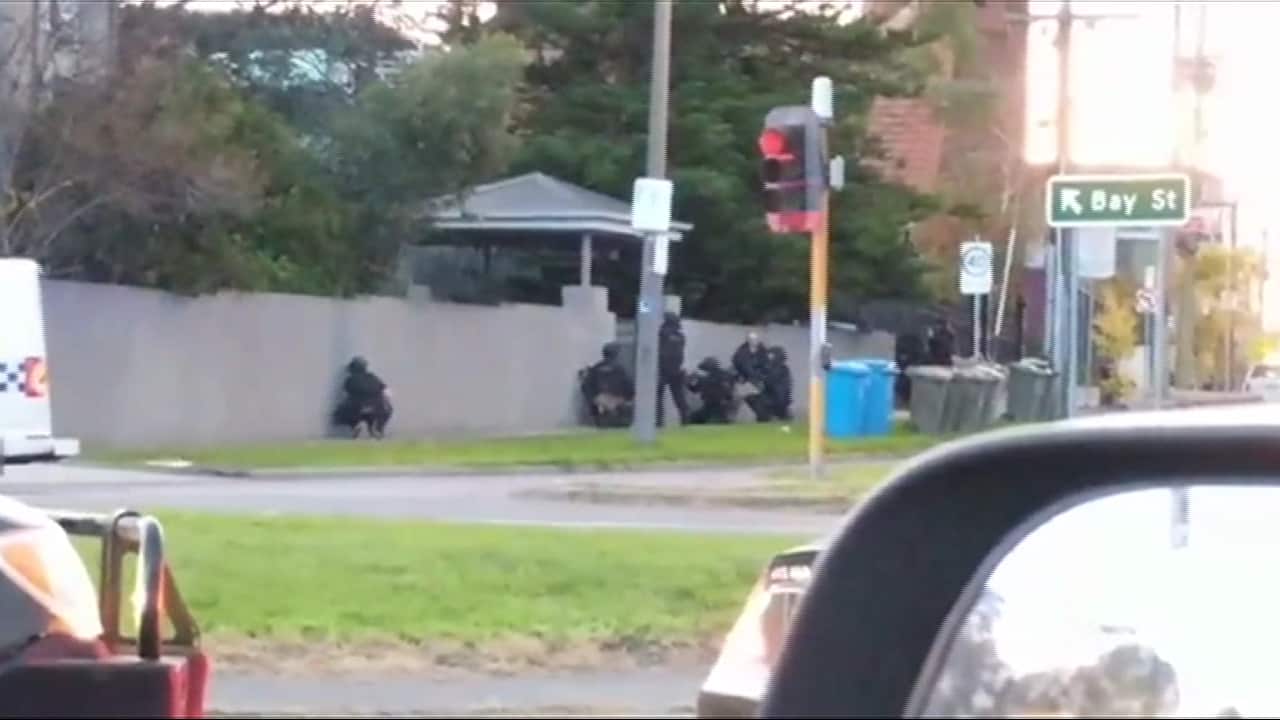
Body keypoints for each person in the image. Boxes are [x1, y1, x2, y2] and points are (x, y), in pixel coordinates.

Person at [334, 356, 393, 438]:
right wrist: (385, 402)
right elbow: (387, 392)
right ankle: (378, 428)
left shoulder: (350, 379)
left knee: (340, 412)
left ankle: (355, 425)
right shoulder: (372, 377)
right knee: (386, 409)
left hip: (357, 409)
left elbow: (346, 394)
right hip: (376, 407)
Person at [580, 342, 634, 428]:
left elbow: (586, 386)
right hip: (617, 400)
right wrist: (627, 398)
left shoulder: (596, 367)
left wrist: (593, 399)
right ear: (616, 354)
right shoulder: (620, 369)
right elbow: (629, 386)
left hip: (600, 400)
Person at [657, 312, 690, 426]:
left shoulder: (662, 333)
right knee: (679, 397)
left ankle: (658, 423)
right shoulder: (680, 336)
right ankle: (685, 421)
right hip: (677, 369)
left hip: (662, 369)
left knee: (658, 398)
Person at [732, 331, 771, 421]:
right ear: (748, 340)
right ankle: (728, 421)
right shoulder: (741, 352)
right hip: (744, 382)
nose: (754, 341)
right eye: (752, 339)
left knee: (759, 405)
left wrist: (761, 377)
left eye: (756, 339)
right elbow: (742, 366)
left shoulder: (762, 351)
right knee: (736, 403)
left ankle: (763, 420)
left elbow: (766, 366)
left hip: (756, 382)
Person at [687, 356, 736, 424]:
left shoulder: (720, 376)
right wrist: (689, 381)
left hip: (718, 407)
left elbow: (695, 388)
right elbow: (694, 389)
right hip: (709, 407)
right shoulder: (711, 377)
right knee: (693, 419)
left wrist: (693, 379)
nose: (705, 370)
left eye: (706, 368)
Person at [763, 345, 793, 421]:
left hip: (778, 401)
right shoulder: (769, 367)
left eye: (771, 356)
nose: (769, 357)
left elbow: (770, 382)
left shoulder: (781, 369)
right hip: (773, 400)